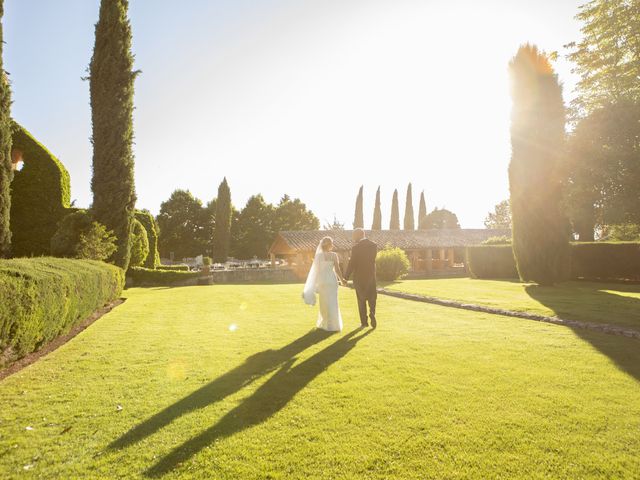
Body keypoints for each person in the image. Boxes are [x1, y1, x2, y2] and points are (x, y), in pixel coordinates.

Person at [302, 236, 345, 332]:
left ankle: (326, 324)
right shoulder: (334, 255)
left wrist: (314, 284)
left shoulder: (318, 256)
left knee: (324, 303)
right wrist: (342, 280)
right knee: (333, 302)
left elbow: (316, 271)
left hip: (322, 281)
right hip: (332, 280)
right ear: (329, 245)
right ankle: (334, 325)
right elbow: (337, 270)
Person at [344, 229, 378, 328]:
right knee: (372, 298)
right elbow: (372, 260)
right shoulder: (373, 245)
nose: (353, 238)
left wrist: (345, 277)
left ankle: (364, 322)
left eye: (354, 236)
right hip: (371, 276)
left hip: (359, 277)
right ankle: (372, 313)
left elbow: (352, 264)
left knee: (361, 300)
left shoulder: (356, 248)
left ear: (359, 235)